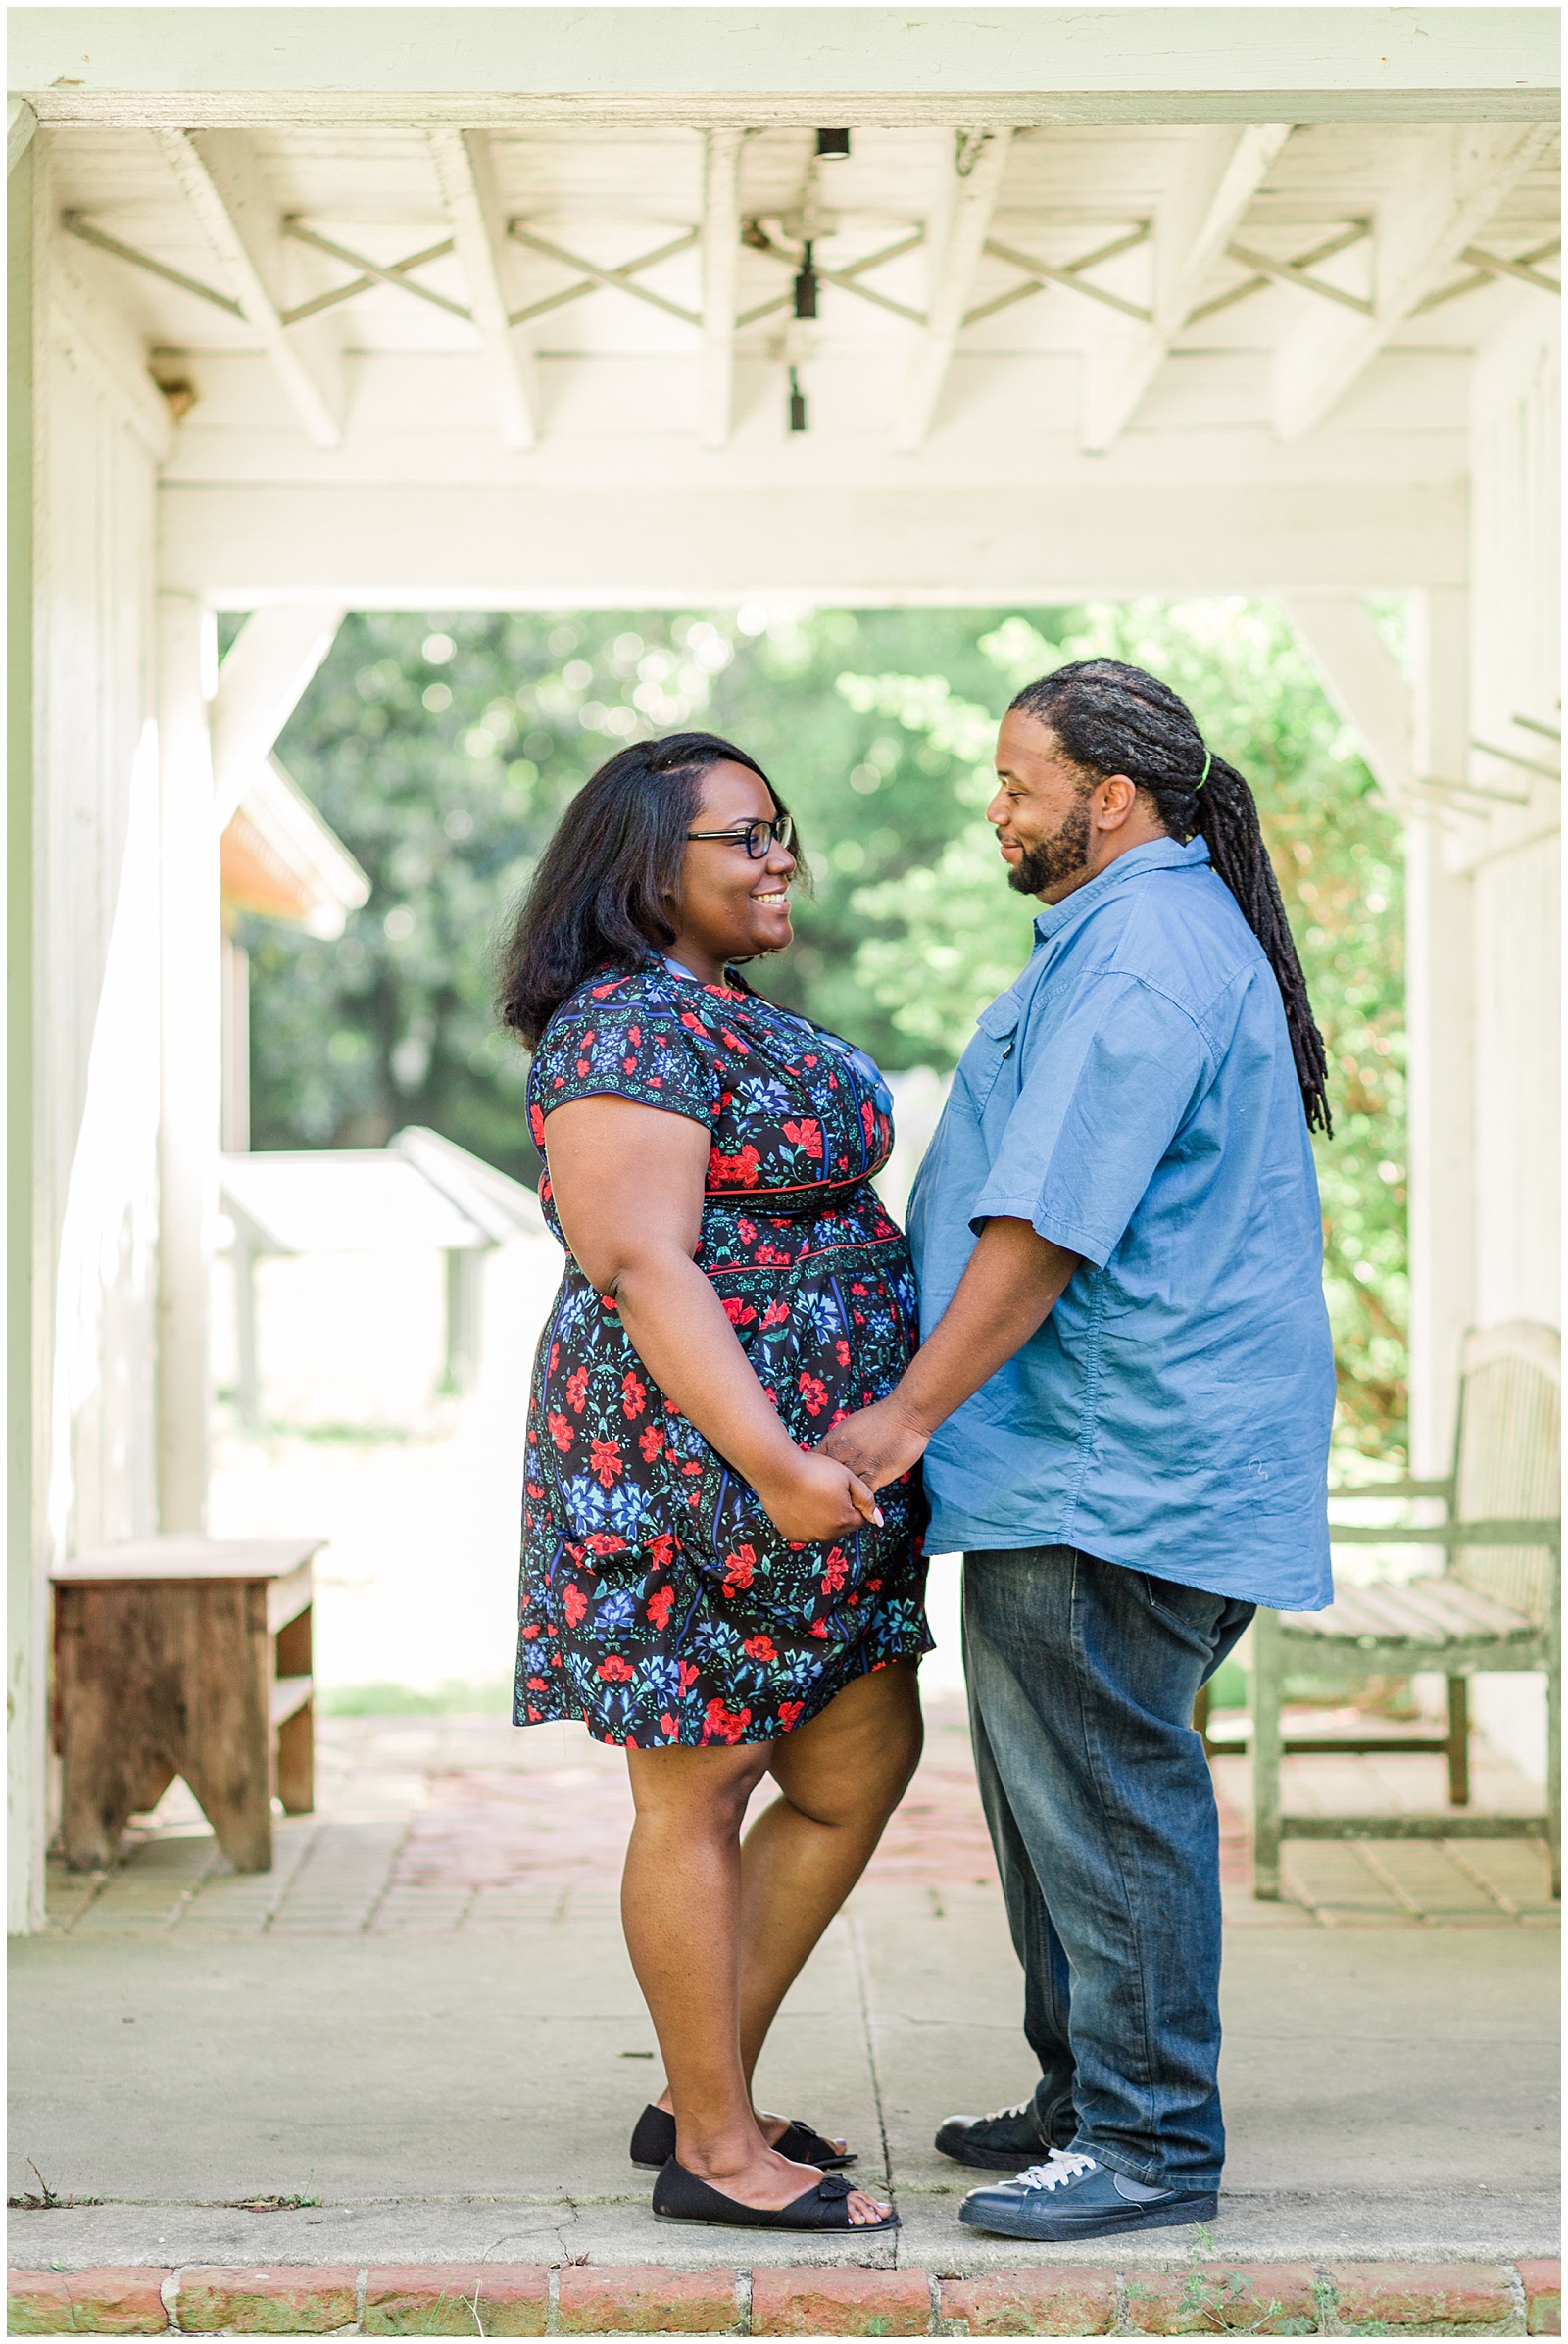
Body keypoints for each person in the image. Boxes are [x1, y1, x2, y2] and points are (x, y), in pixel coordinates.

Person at [821, 659, 1336, 2243]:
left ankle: (1153, 2145)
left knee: (1108, 1799)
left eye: (1017, 782)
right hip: (1096, 1460)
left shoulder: (1146, 958)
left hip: (1119, 1468)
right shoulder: (1136, 932)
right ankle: (1085, 2095)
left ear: (1109, 799)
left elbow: (1046, 1227)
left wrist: (905, 1418)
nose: (998, 807)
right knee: (1059, 1800)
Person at [497, 731, 929, 2236]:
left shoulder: (708, 1010)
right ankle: (719, 2155)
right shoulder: (622, 1027)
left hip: (812, 1475)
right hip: (697, 1470)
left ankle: (703, 2089)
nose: (780, 856)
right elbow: (640, 1262)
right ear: (645, 870)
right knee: (704, 1780)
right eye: (744, 837)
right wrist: (776, 1458)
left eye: (780, 829)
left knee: (857, 1755)